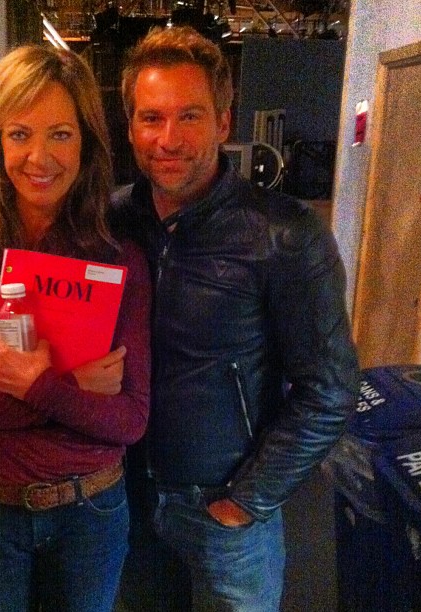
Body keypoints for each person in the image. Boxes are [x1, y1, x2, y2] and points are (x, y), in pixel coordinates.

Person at [112, 26, 360, 611]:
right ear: (131, 126)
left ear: (223, 123)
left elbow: (330, 390)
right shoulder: (112, 219)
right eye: (151, 118)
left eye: (190, 116)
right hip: (127, 497)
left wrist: (247, 501)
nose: (168, 138)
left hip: (226, 508)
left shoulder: (284, 234)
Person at [0, 44, 151, 612]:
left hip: (90, 509)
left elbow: (130, 418)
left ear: (87, 142)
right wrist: (67, 388)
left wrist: (34, 388)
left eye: (60, 134)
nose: (40, 157)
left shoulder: (117, 253)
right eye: (19, 134)